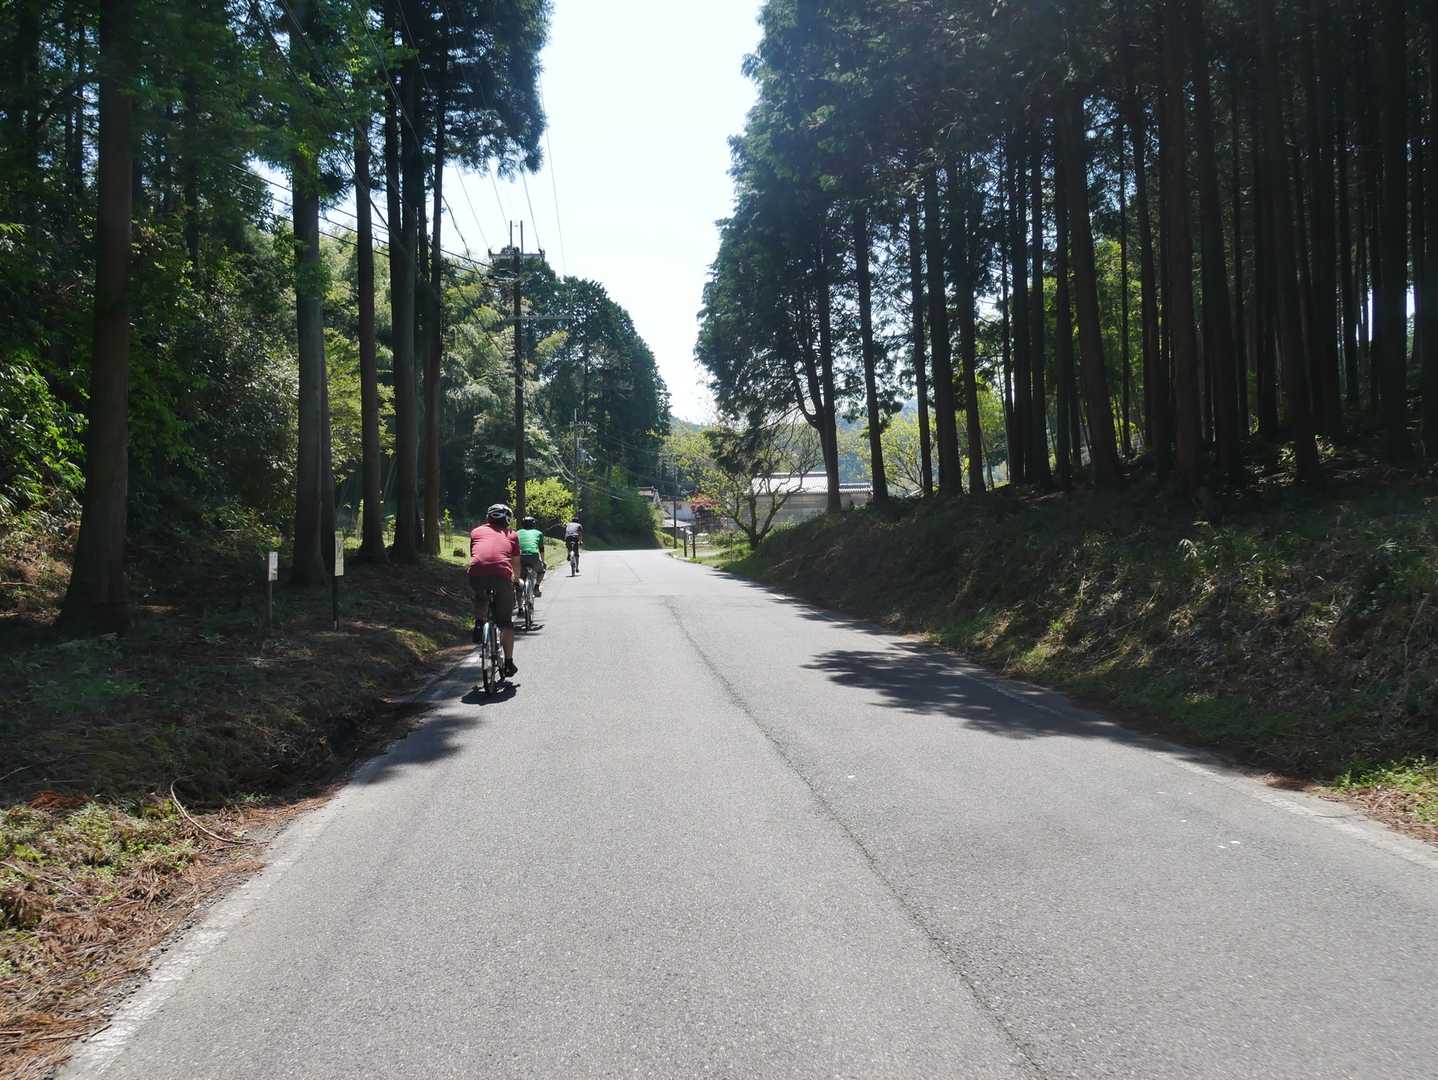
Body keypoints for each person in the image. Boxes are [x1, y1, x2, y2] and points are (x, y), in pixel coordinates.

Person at [468, 503, 519, 677]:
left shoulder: (475, 532)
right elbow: (515, 563)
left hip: (476, 574)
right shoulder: (512, 535)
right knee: (506, 622)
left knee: (481, 596)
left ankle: (479, 623)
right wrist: (516, 580)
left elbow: (475, 555)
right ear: (507, 519)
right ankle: (509, 662)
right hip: (501, 576)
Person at [516, 515, 545, 597]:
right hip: (533, 555)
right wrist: (543, 561)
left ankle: (518, 590)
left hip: (520, 556)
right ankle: (536, 587)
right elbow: (541, 549)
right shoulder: (539, 533)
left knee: (519, 574)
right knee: (541, 571)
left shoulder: (517, 533)